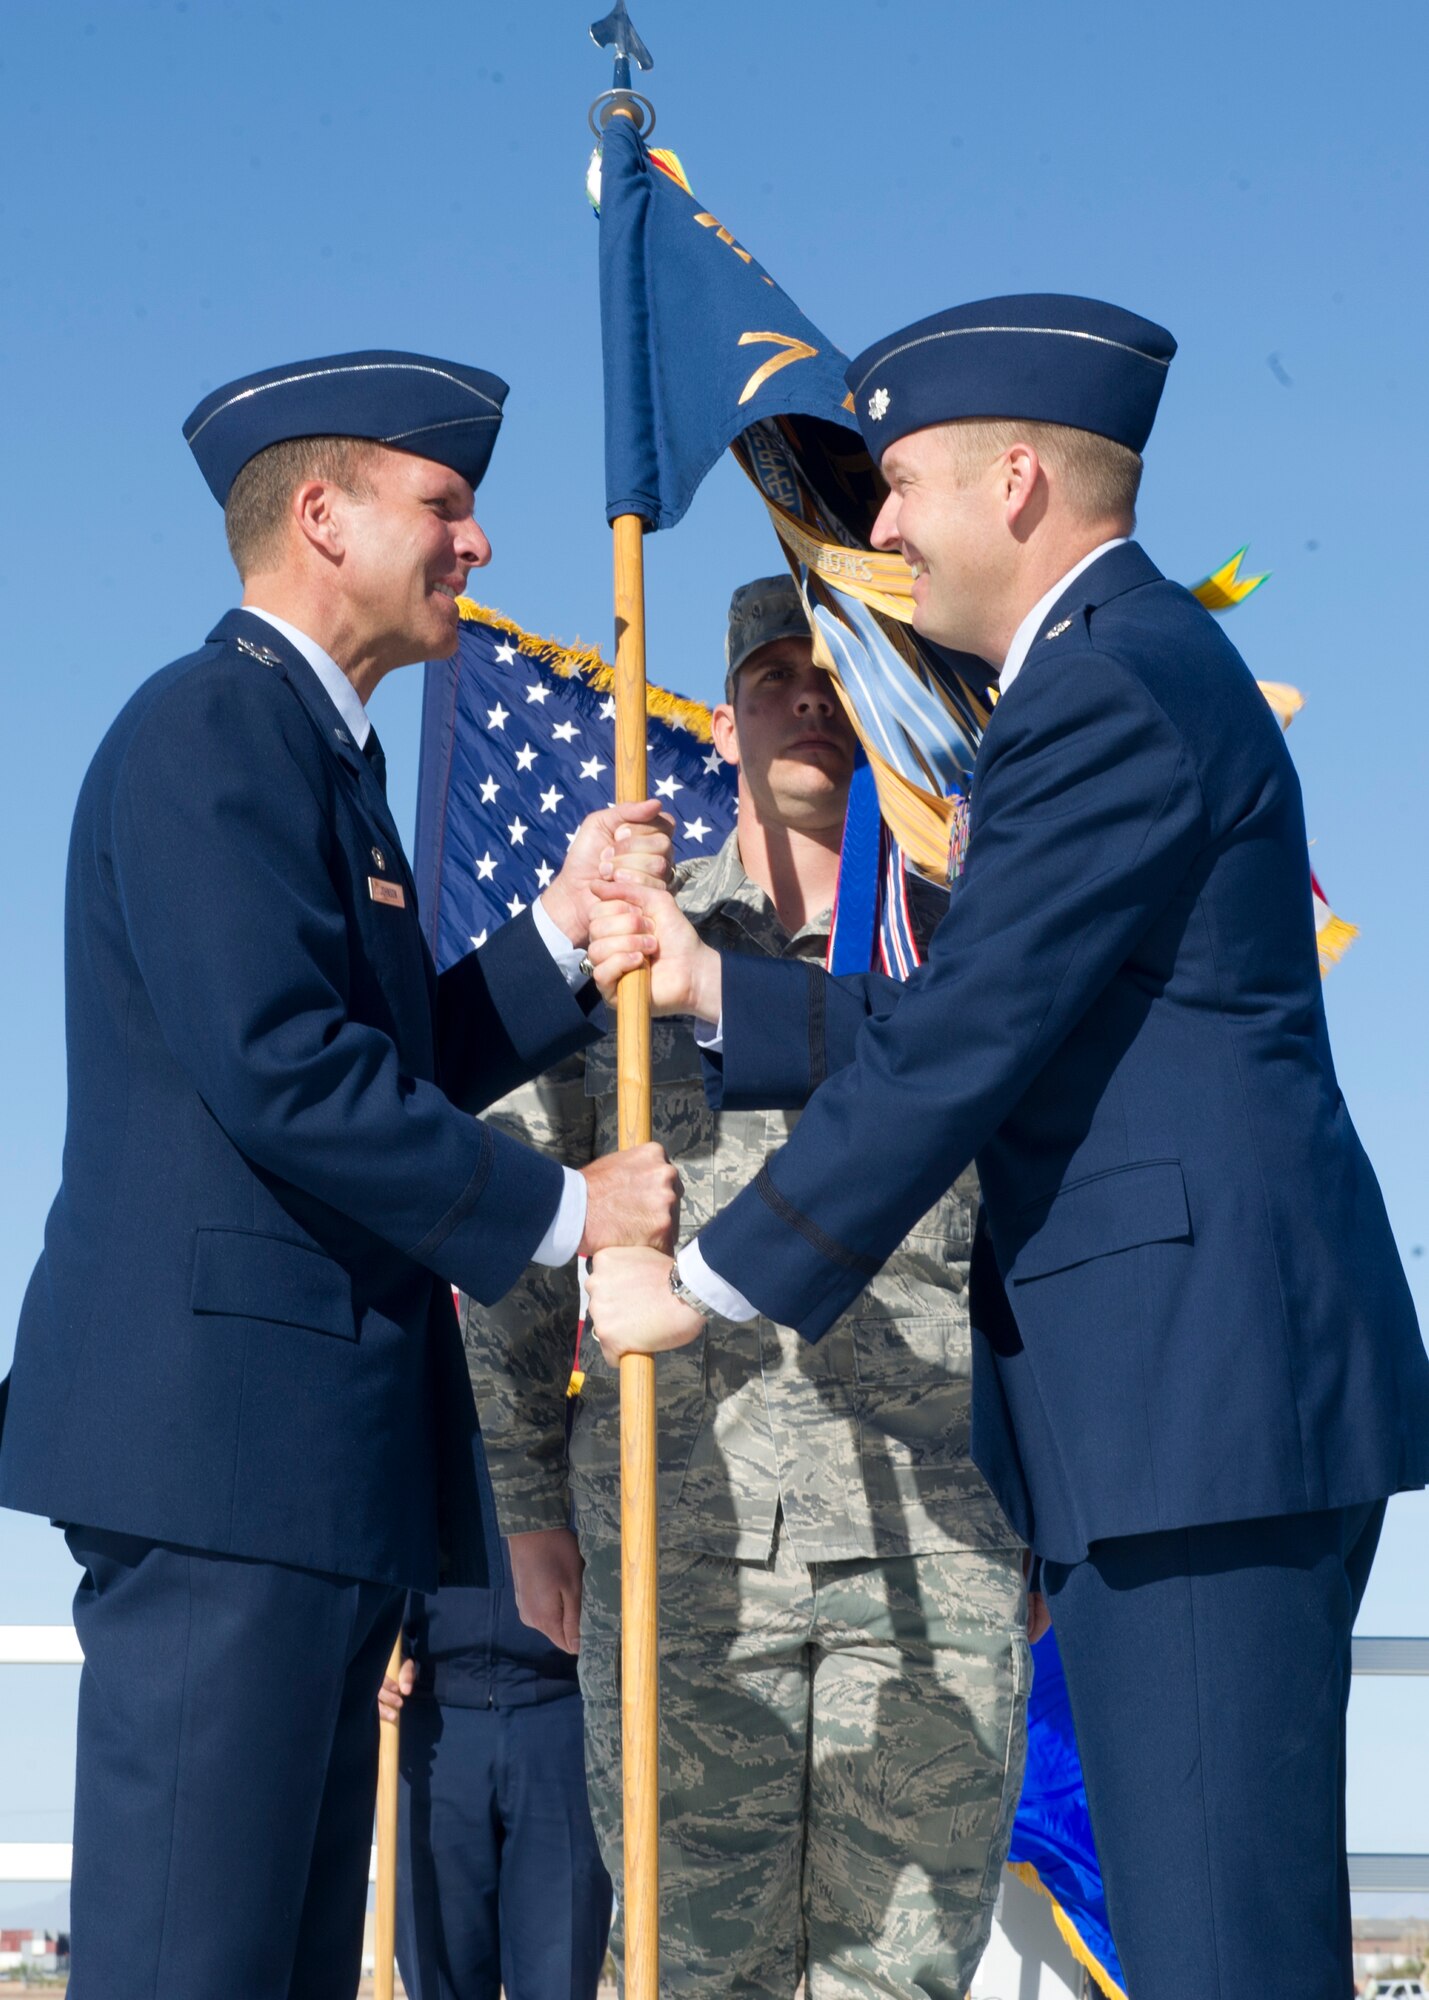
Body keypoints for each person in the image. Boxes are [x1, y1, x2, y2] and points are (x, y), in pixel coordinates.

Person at [581, 297, 1429, 2000]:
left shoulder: (1102, 684)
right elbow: (994, 1005)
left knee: (1218, 1956)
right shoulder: (1114, 672)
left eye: (897, 487)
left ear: (1018, 484)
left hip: (1194, 1417)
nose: (876, 532)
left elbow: (968, 1034)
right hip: (1180, 1416)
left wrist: (711, 1283)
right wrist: (721, 1000)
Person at [0, 349, 677, 2000]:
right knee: (191, 1963)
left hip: (301, 1463)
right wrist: (569, 1215)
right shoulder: (211, 728)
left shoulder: (325, 762)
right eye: (444, 506)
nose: (479, 544)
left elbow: (383, 1047)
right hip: (219, 1453)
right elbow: (281, 1070)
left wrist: (556, 938)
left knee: (280, 1968)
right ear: (321, 517)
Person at [453, 574, 1033, 2000]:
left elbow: (1039, 1251)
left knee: (896, 1976)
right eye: (775, 673)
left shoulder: (966, 958)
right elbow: (516, 1257)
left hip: (938, 1540)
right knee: (687, 1970)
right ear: (718, 722)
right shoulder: (624, 954)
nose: (807, 700)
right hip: (679, 1538)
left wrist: (1050, 1503)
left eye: (836, 674)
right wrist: (528, 1515)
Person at [383, 1439, 613, 2000]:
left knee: (559, 1982)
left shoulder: (573, 1361)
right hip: (432, 1720)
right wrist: (365, 1653)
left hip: (564, 1715)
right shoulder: (419, 1371)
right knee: (439, 1981)